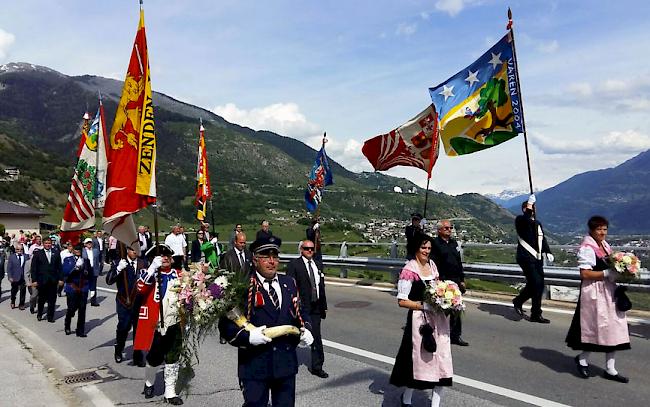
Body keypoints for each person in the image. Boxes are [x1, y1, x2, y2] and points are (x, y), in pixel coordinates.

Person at [219, 236, 314, 407]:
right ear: (255, 259)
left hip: (285, 365)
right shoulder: (243, 286)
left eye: (275, 256)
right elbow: (226, 326)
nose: (272, 261)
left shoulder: (289, 283)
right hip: (255, 365)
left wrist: (307, 328)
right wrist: (248, 338)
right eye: (265, 256)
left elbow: (302, 311)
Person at [566, 216, 631, 383]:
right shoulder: (587, 248)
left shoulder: (605, 245)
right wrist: (606, 274)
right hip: (594, 293)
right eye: (599, 229)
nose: (602, 232)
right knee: (595, 328)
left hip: (608, 291)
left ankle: (611, 368)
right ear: (591, 230)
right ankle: (582, 359)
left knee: (613, 329)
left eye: (605, 229)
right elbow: (585, 273)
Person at [390, 234, 452, 407]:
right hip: (419, 321)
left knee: (441, 359)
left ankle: (435, 404)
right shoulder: (409, 270)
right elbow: (402, 300)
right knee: (418, 362)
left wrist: (447, 300)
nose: (426, 251)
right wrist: (424, 305)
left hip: (438, 320)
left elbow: (439, 289)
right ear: (416, 248)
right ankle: (407, 399)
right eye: (423, 248)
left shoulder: (433, 265)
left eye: (429, 248)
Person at [134, 244, 183, 405]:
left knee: (173, 356)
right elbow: (140, 289)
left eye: (168, 255)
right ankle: (149, 382)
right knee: (155, 357)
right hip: (155, 323)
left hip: (174, 322)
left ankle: (170, 392)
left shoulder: (179, 274)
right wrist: (152, 269)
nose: (165, 258)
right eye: (161, 255)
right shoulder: (147, 274)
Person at [286, 240, 329, 378]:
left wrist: (324, 305)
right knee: (294, 335)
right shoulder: (294, 265)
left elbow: (321, 287)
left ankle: (317, 366)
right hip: (300, 307)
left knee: (316, 336)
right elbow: (289, 286)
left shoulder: (317, 264)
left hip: (315, 306)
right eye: (306, 248)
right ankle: (287, 362)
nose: (310, 250)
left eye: (312, 248)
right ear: (301, 250)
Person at [512, 195, 553, 323]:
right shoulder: (520, 220)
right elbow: (526, 220)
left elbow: (542, 238)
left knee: (538, 285)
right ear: (525, 209)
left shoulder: (537, 223)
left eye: (533, 208)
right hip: (525, 257)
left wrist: (548, 251)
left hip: (537, 258)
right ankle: (522, 303)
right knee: (535, 283)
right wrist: (529, 205)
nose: (533, 210)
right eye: (530, 208)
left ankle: (534, 313)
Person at [431, 220, 468, 347]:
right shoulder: (435, 244)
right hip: (443, 281)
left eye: (450, 228)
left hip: (456, 280)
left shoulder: (453, 243)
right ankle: (436, 333)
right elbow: (433, 264)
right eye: (446, 228)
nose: (449, 230)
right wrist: (437, 282)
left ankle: (455, 336)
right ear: (439, 230)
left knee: (456, 309)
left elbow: (459, 262)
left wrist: (462, 279)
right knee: (440, 309)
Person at [106, 245, 145, 366]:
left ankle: (138, 356)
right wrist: (118, 269)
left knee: (139, 330)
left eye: (136, 250)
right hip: (124, 301)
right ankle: (119, 349)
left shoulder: (142, 263)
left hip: (139, 302)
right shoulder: (118, 262)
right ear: (127, 251)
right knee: (123, 327)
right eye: (132, 250)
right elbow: (109, 281)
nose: (135, 252)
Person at [30, 237, 63, 322]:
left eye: (49, 243)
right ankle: (40, 314)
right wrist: (34, 280)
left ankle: (50, 317)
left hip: (53, 280)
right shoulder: (38, 254)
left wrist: (60, 279)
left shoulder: (56, 253)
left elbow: (59, 267)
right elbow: (34, 268)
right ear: (43, 244)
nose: (48, 245)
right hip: (42, 280)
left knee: (52, 300)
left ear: (51, 244)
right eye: (46, 243)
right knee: (41, 299)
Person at [62, 244, 90, 337]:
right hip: (72, 287)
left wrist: (85, 270)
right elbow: (65, 273)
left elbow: (89, 273)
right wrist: (75, 268)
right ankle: (67, 325)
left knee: (82, 309)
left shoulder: (86, 261)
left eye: (79, 249)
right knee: (71, 308)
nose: (78, 251)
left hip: (83, 287)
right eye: (76, 249)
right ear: (73, 250)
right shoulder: (68, 260)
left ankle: (80, 330)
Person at [7, 243, 29, 310]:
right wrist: (10, 277)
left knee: (23, 291)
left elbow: (28, 267)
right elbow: (9, 268)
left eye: (21, 249)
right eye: (17, 249)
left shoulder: (26, 256)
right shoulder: (12, 257)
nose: (19, 250)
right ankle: (13, 300)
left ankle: (21, 304)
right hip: (14, 277)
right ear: (15, 250)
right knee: (14, 291)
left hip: (23, 277)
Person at [83, 237, 102, 307]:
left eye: (90, 242)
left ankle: (93, 301)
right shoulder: (82, 251)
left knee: (93, 286)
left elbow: (98, 261)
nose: (89, 244)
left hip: (94, 270)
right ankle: (83, 300)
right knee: (84, 286)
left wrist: (98, 269)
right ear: (85, 244)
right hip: (85, 270)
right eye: (87, 243)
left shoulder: (96, 251)